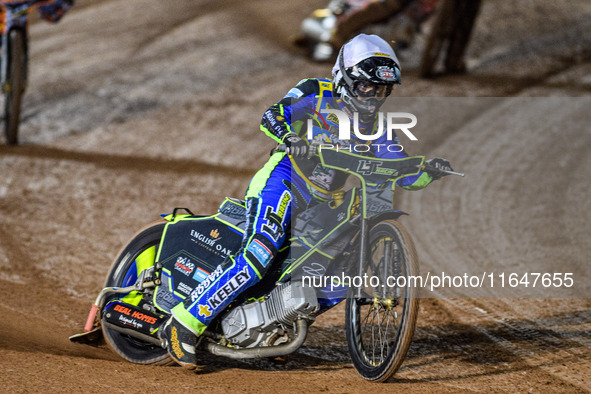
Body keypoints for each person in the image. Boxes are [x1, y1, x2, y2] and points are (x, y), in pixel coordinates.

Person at [159, 34, 453, 368]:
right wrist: (290, 137)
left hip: (324, 208)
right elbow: (273, 115)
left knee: (341, 279)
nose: (373, 97)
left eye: (382, 90)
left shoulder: (380, 129)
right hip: (284, 183)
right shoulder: (316, 92)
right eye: (365, 86)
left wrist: (428, 170)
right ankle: (184, 322)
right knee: (260, 252)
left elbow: (402, 171)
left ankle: (274, 328)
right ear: (344, 78)